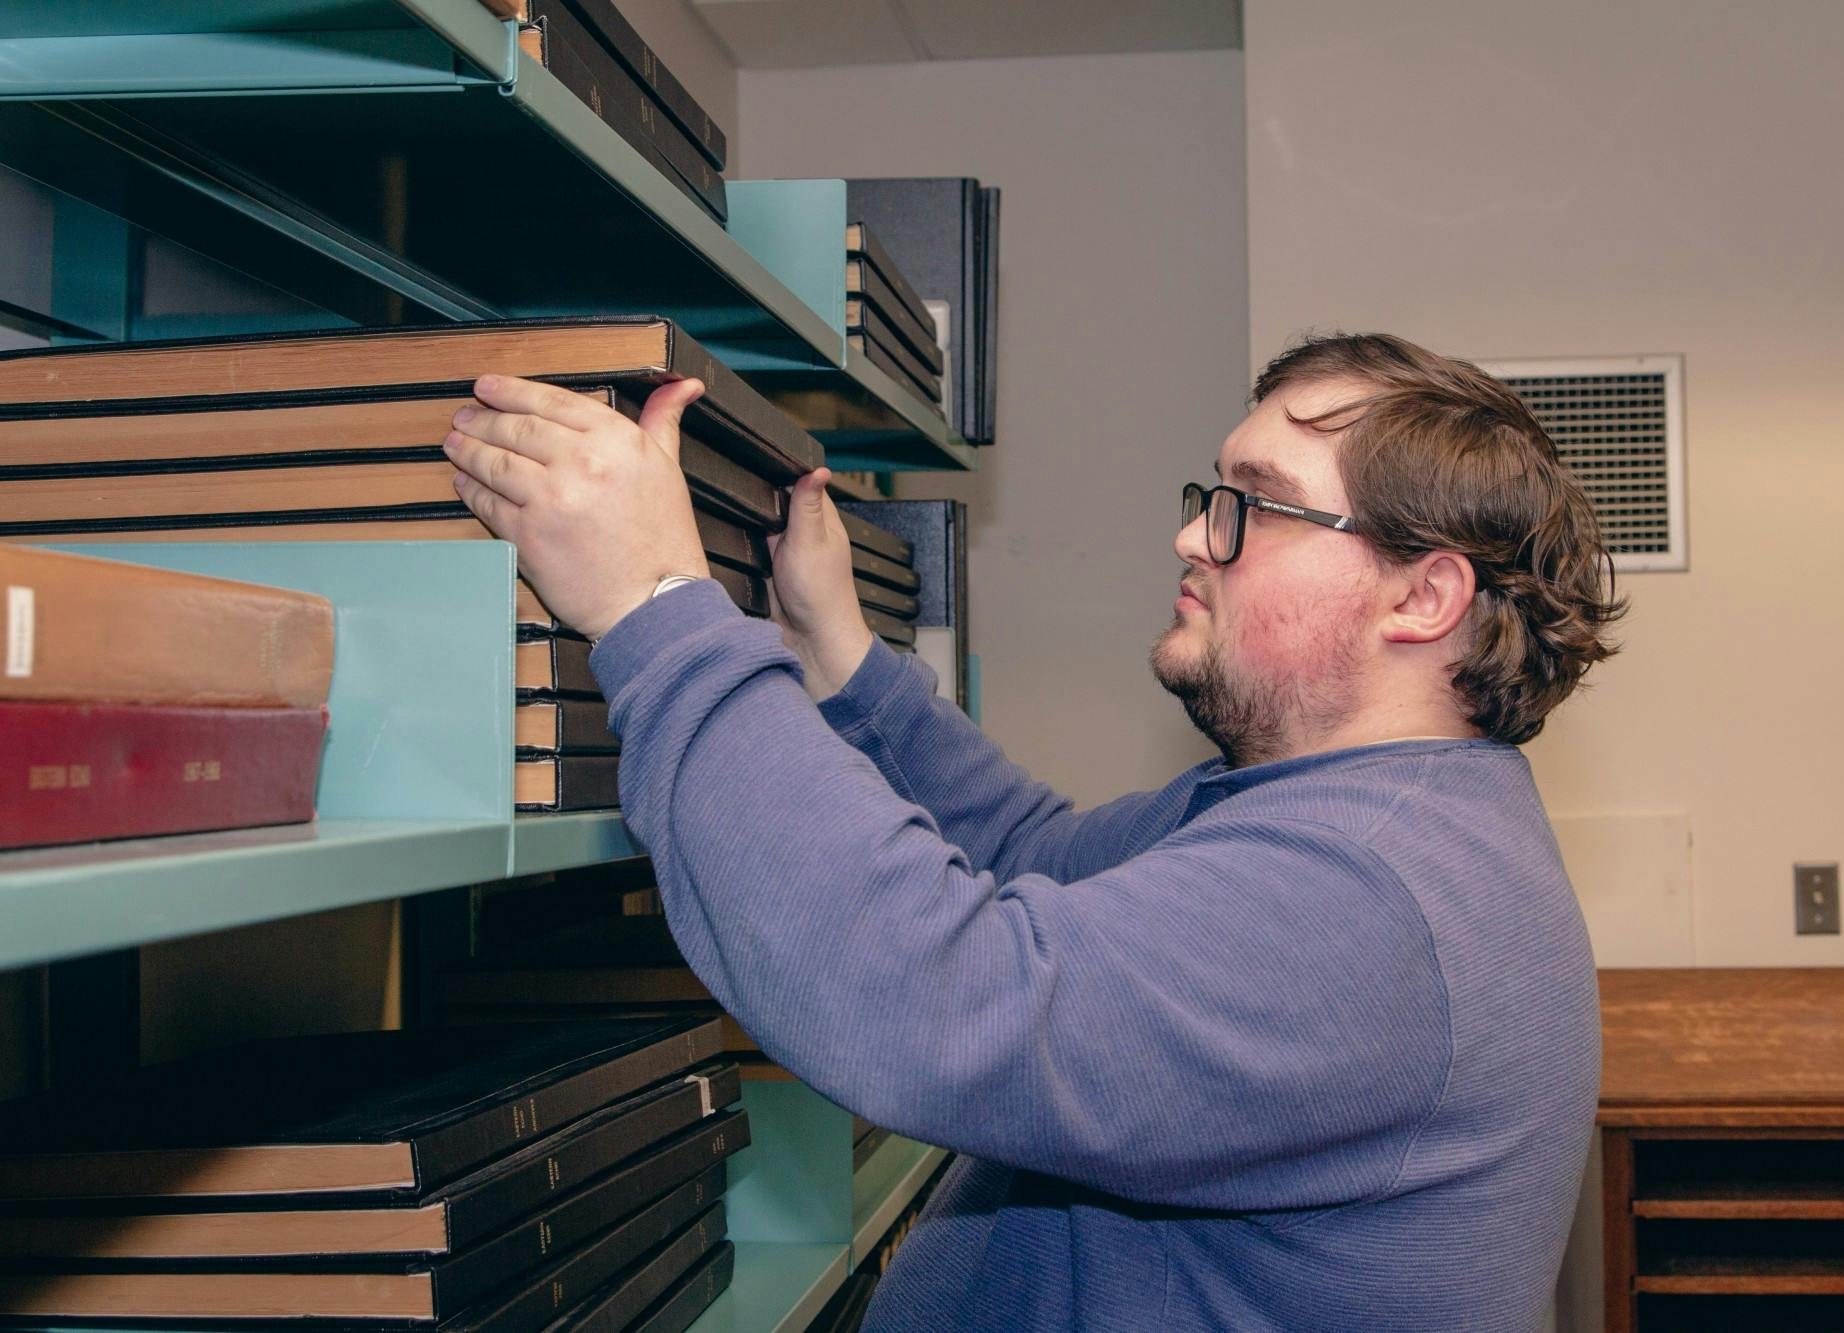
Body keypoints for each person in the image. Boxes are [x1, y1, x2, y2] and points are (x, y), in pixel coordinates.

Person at [441, 331, 1623, 1331]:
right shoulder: (1357, 810)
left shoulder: (1366, 900)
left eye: (1247, 506)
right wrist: (838, 657)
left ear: (1422, 596)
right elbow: (1032, 855)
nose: (1189, 538)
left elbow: (925, 997)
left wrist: (657, 608)